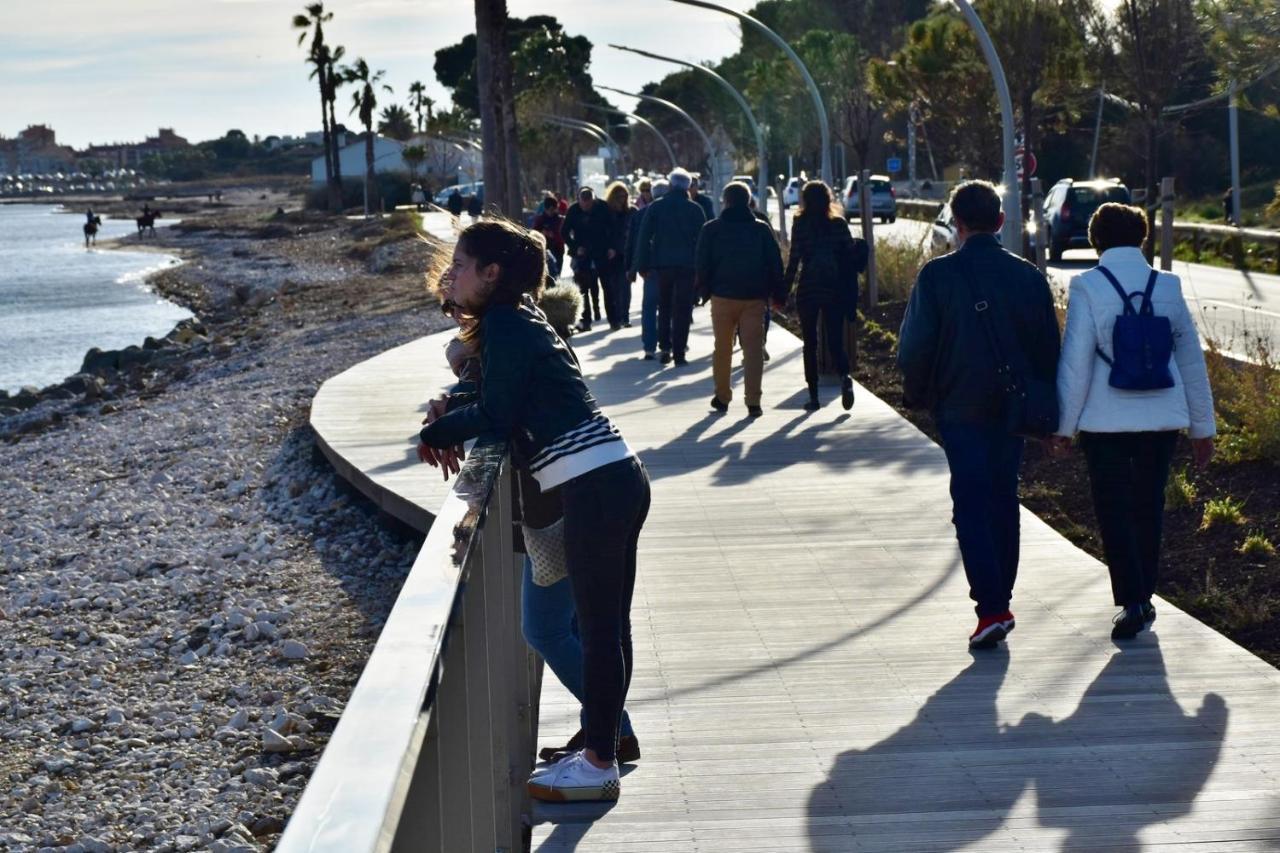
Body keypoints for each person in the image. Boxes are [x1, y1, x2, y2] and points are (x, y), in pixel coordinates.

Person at [418, 219, 650, 803]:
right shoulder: (518, 318)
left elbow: (497, 416)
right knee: (606, 629)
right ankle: (602, 742)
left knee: (598, 631)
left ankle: (599, 763)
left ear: (491, 274)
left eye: (463, 265)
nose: (455, 274)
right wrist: (453, 407)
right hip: (611, 476)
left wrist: (438, 429)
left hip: (596, 484)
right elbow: (505, 395)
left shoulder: (503, 322)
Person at [897, 180, 1061, 649]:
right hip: (1014, 408)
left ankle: (991, 607)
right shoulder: (1029, 276)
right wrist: (1052, 417)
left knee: (969, 501)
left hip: (960, 405)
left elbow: (914, 348)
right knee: (1003, 497)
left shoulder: (937, 276)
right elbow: (1049, 349)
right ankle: (999, 598)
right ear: (1002, 221)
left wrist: (918, 395)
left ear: (957, 223)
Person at [1046, 203, 1215, 640]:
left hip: (1105, 424)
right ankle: (1145, 595)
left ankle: (1133, 600)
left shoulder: (1087, 286)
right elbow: (1191, 361)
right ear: (1141, 238)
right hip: (1163, 421)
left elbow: (1076, 364)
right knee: (1148, 507)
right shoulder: (1168, 286)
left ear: (1095, 239)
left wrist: (1063, 428)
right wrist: (1203, 429)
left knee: (1113, 510)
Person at [696, 181, 786, 417]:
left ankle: (722, 397)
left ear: (725, 201)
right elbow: (775, 263)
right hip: (753, 298)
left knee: (722, 348)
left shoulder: (711, 229)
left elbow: (702, 264)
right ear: (749, 201)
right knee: (753, 350)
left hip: (722, 296)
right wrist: (779, 294)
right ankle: (753, 401)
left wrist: (702, 290)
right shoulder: (761, 229)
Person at [783, 180, 866, 412]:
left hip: (809, 288)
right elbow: (849, 253)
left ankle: (814, 397)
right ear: (828, 199)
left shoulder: (800, 224)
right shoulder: (838, 224)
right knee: (835, 340)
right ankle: (845, 378)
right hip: (834, 288)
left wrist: (784, 290)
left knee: (810, 343)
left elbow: (794, 260)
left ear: (805, 200)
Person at [633, 167, 707, 366]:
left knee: (664, 307)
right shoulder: (695, 209)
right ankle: (680, 352)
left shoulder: (656, 207)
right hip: (687, 266)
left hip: (662, 266)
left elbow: (644, 237)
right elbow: (703, 241)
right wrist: (703, 270)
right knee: (682, 309)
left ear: (671, 185)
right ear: (688, 187)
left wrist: (641, 264)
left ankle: (664, 348)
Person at [626, 179, 669, 360]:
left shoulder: (641, 214)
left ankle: (649, 347)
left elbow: (634, 243)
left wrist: (634, 268)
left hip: (650, 268)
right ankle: (667, 344)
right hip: (670, 268)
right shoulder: (676, 214)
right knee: (669, 307)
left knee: (649, 307)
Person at [563, 187, 610, 331]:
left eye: (589, 204)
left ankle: (613, 318)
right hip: (582, 254)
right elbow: (564, 231)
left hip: (601, 251)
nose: (586, 207)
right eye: (583, 204)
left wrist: (611, 247)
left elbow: (612, 228)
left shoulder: (602, 207)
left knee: (607, 287)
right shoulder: (573, 210)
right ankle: (586, 320)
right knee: (583, 289)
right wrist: (575, 247)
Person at [601, 182, 635, 330]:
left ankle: (624, 316)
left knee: (625, 287)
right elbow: (604, 232)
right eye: (619, 196)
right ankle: (615, 317)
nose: (622, 199)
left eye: (625, 196)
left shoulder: (631, 212)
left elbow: (632, 233)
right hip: (611, 255)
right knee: (613, 288)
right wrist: (609, 248)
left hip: (626, 254)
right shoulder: (607, 212)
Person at [532, 195, 566, 279]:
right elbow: (534, 233)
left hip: (558, 249)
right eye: (550, 209)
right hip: (545, 250)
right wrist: (543, 233)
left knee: (557, 273)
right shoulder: (540, 220)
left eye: (554, 209)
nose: (552, 211)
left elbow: (564, 234)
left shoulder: (560, 219)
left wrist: (554, 235)